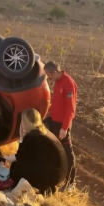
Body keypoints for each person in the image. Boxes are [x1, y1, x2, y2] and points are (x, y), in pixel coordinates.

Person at [2, 108, 68, 195]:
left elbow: (20, 157)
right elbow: (28, 155)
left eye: (22, 120)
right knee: (27, 163)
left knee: (16, 167)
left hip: (53, 175)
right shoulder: (43, 131)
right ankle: (47, 187)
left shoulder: (32, 136)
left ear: (26, 122)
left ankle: (37, 186)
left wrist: (5, 159)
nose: (21, 123)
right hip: (61, 174)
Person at [43, 61, 78, 191]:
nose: (49, 78)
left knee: (68, 154)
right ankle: (55, 176)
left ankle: (70, 183)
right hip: (54, 121)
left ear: (54, 72)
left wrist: (64, 128)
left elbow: (70, 109)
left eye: (49, 75)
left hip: (62, 125)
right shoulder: (57, 82)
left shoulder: (68, 84)